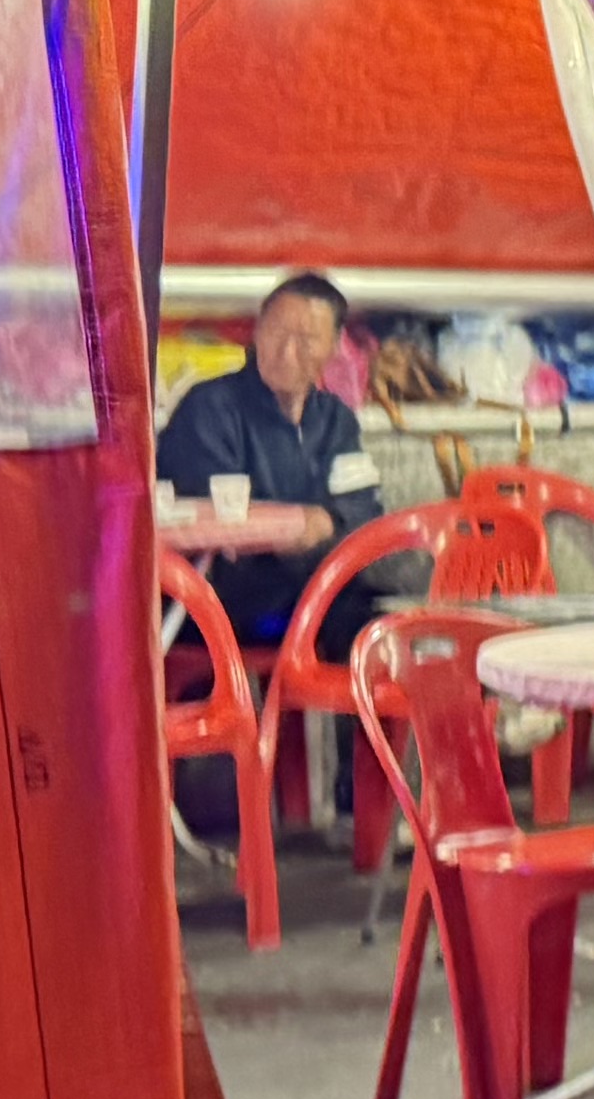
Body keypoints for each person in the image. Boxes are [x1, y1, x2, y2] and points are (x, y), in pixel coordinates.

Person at [160, 276, 424, 798]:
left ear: (332, 348)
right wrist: (312, 524)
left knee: (391, 621)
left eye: (306, 339)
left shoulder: (334, 420)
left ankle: (377, 792)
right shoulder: (210, 408)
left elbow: (361, 508)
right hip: (228, 607)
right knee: (359, 597)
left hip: (313, 598)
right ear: (256, 332)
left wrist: (321, 525)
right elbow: (222, 523)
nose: (286, 350)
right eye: (276, 332)